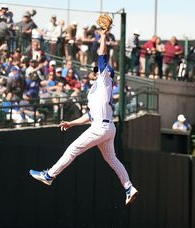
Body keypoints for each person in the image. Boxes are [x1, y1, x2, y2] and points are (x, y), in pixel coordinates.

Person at [29, 26, 138, 206]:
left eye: (98, 69)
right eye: (96, 70)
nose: (95, 71)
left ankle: (49, 175)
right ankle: (129, 188)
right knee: (112, 159)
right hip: (106, 127)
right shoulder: (97, 90)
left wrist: (103, 35)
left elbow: (102, 55)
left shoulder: (105, 81)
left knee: (72, 150)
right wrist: (72, 123)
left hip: (100, 128)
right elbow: (89, 115)